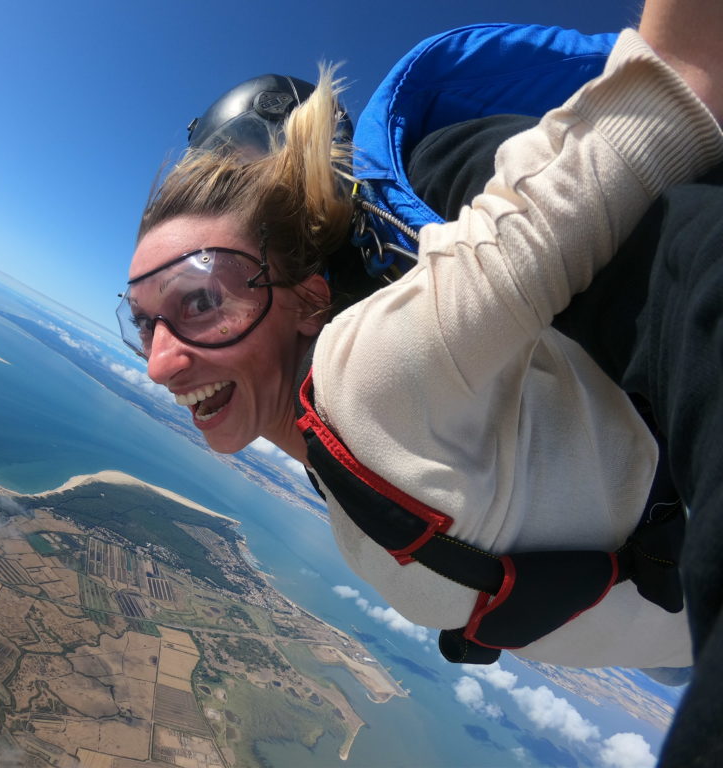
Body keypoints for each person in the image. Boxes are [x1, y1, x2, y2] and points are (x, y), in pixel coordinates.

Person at [119, 0, 723, 762]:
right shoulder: (324, 429)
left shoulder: (372, 371)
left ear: (309, 297)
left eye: (202, 300)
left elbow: (635, 134)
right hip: (667, 618)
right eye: (143, 321)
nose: (159, 362)